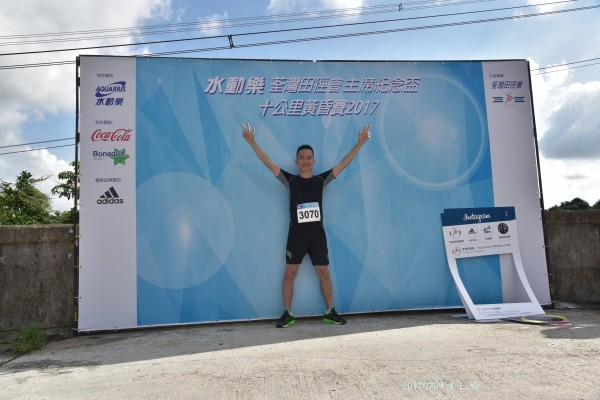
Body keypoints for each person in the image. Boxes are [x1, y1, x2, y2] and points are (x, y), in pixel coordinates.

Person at [242, 123, 371, 328]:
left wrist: (360, 143)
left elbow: (343, 164)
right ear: (297, 161)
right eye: (301, 158)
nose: (305, 160)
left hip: (317, 235)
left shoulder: (321, 180)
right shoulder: (290, 181)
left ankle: (330, 312)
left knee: (324, 273)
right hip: (296, 236)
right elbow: (268, 162)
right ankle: (287, 313)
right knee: (290, 273)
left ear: (313, 160)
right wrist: (252, 142)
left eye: (309, 157)